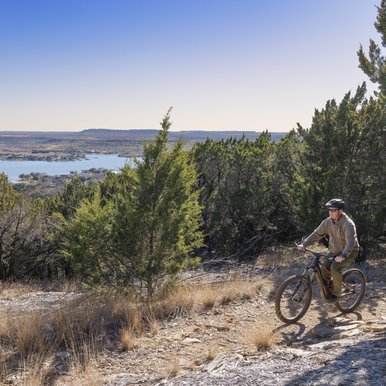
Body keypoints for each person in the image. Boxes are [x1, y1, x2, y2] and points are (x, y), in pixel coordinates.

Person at [297, 198, 360, 303]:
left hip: (349, 252)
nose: (330, 212)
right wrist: (304, 244)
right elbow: (316, 234)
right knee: (324, 267)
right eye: (329, 210)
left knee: (335, 268)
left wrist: (343, 255)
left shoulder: (348, 224)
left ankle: (336, 294)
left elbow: (350, 242)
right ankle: (328, 289)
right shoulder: (327, 222)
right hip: (335, 251)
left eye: (333, 210)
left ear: (340, 211)